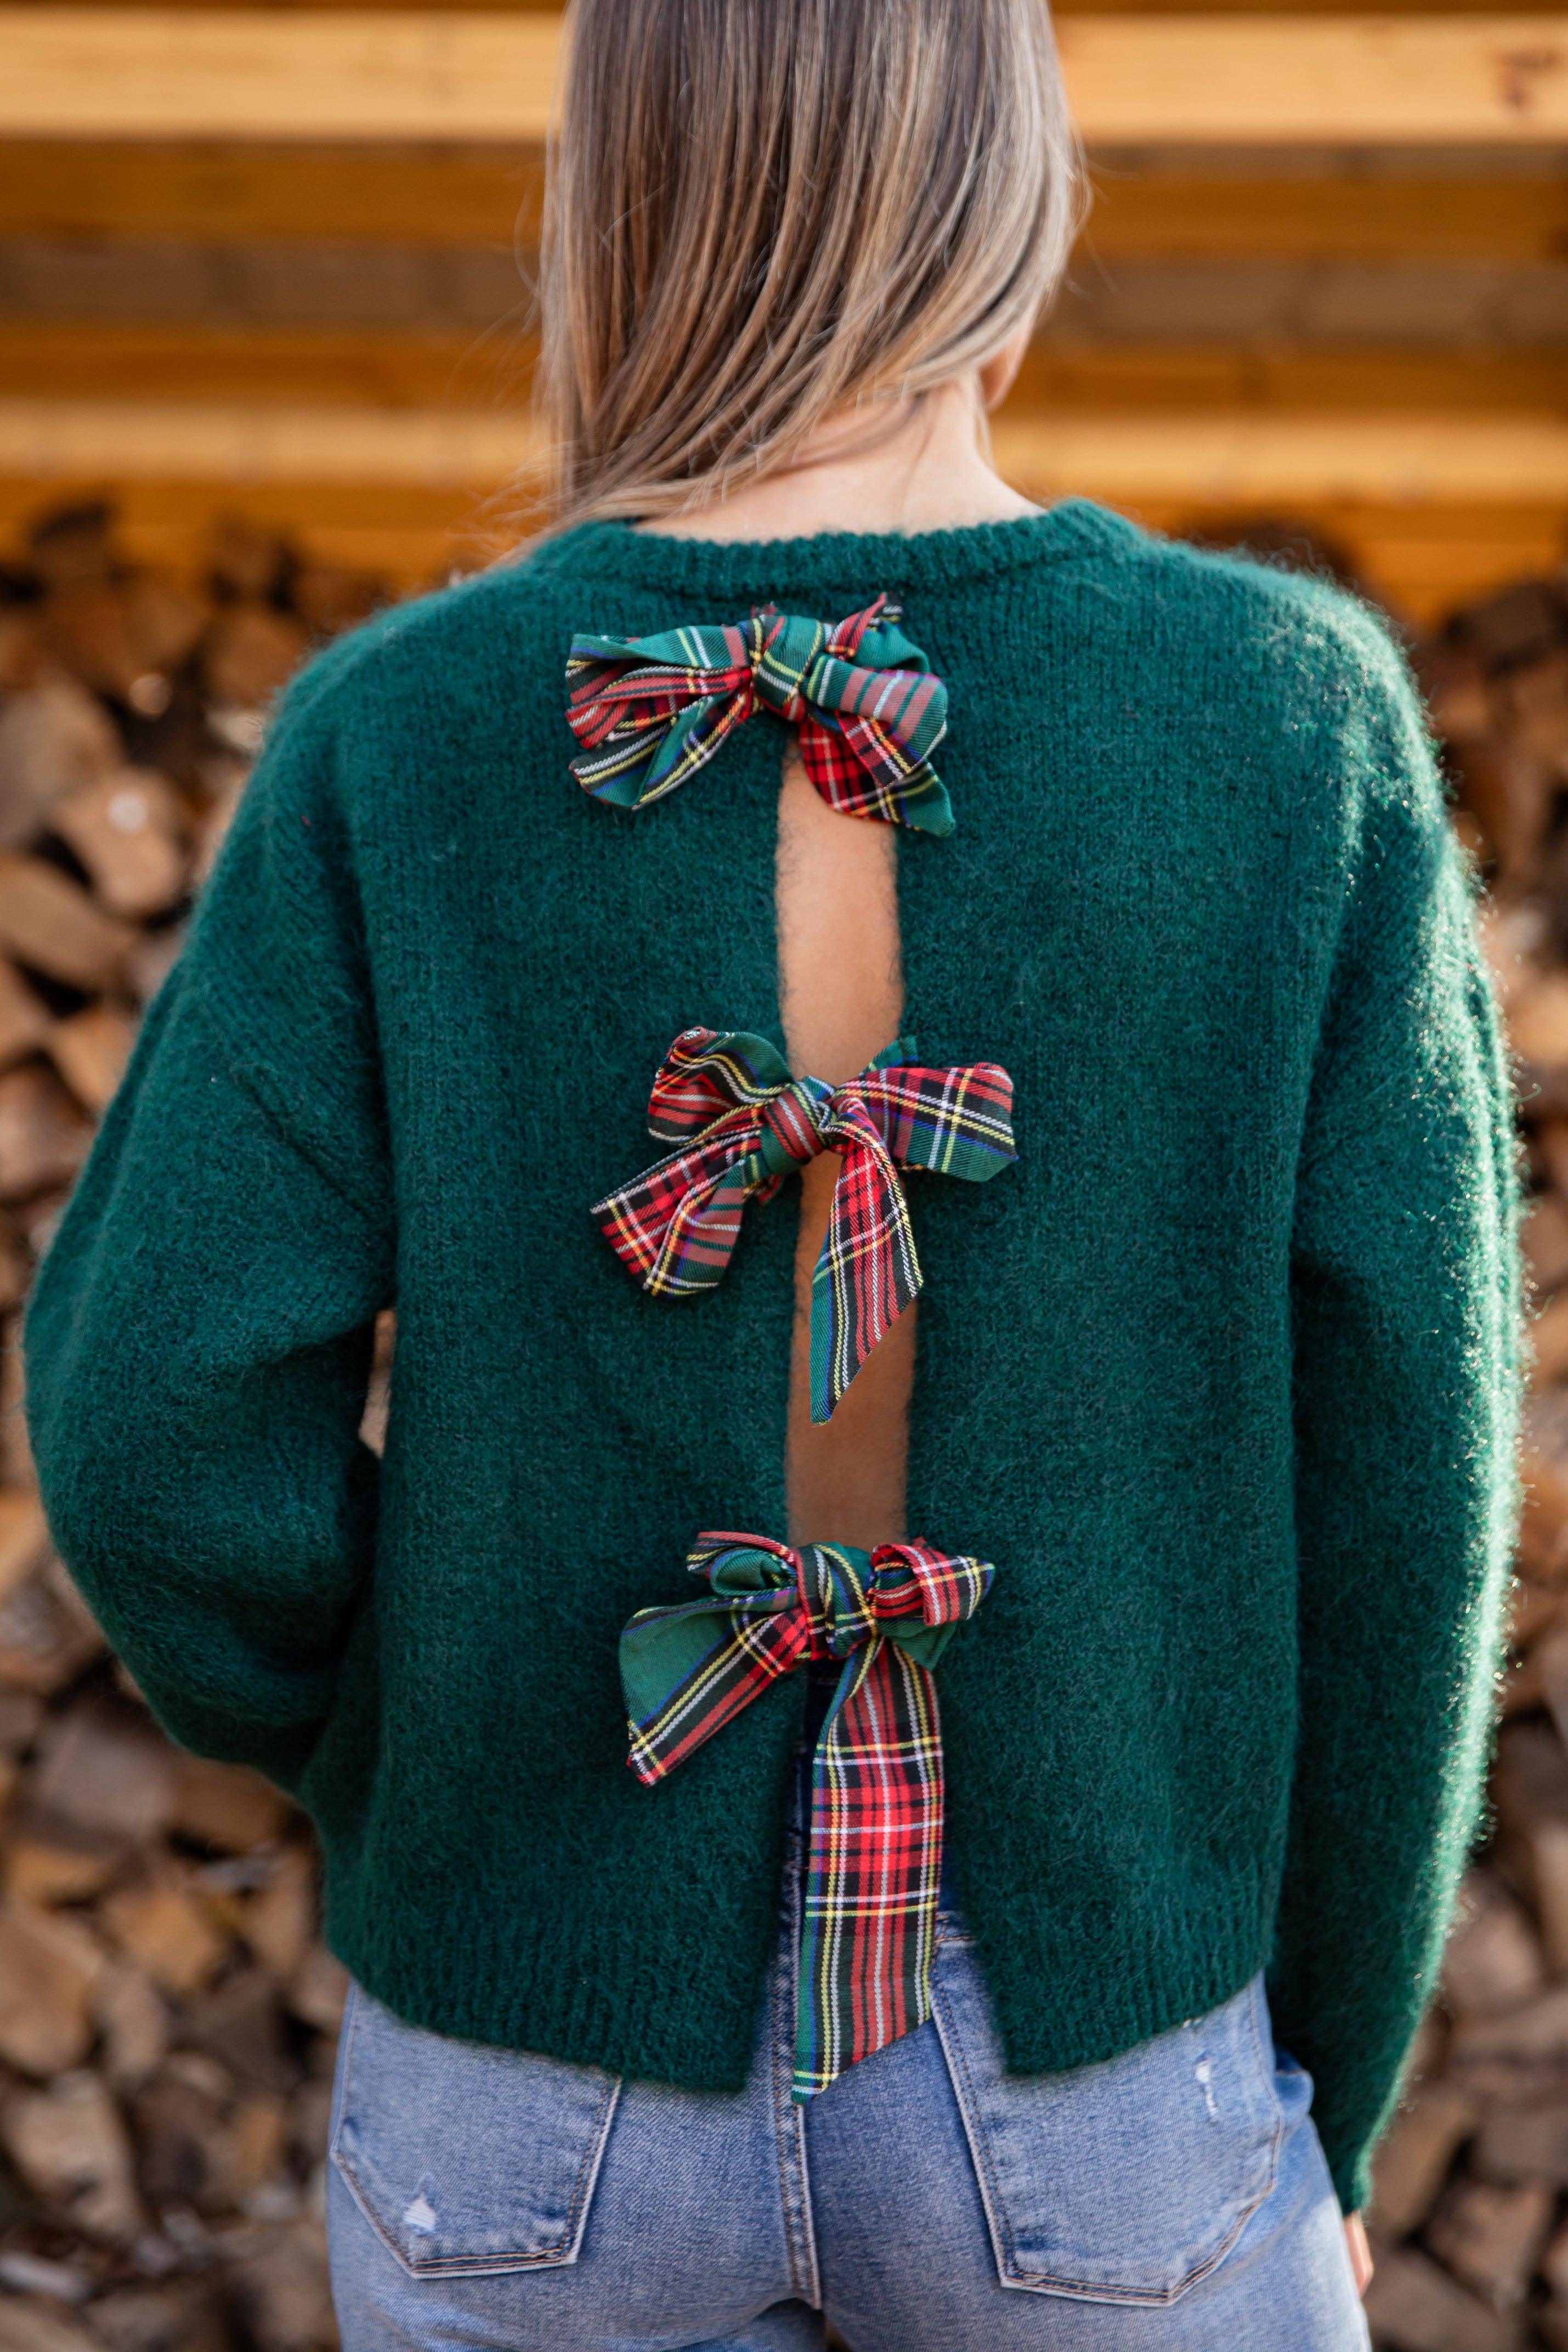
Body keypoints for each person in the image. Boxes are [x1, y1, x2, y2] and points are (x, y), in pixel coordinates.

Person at [24, 1, 1519, 2346]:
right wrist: (1319, 2071)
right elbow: (1410, 1494)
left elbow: (151, 1434)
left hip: (534, 2067)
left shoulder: (398, 741)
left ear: (612, 220)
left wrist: (437, 1757)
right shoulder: (1283, 724)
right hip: (1095, 2059)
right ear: (1007, 206)